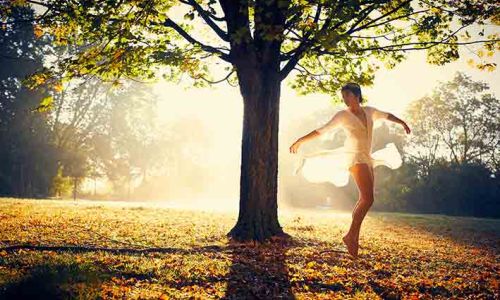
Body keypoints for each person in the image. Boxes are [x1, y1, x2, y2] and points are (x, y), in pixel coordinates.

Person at [289, 82, 411, 259]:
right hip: (354, 157)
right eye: (343, 96)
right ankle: (351, 236)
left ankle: (352, 236)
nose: (344, 99)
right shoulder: (343, 116)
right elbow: (322, 130)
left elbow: (387, 116)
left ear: (356, 95)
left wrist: (402, 123)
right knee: (368, 198)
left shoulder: (370, 111)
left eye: (347, 95)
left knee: (365, 198)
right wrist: (301, 140)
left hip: (367, 157)